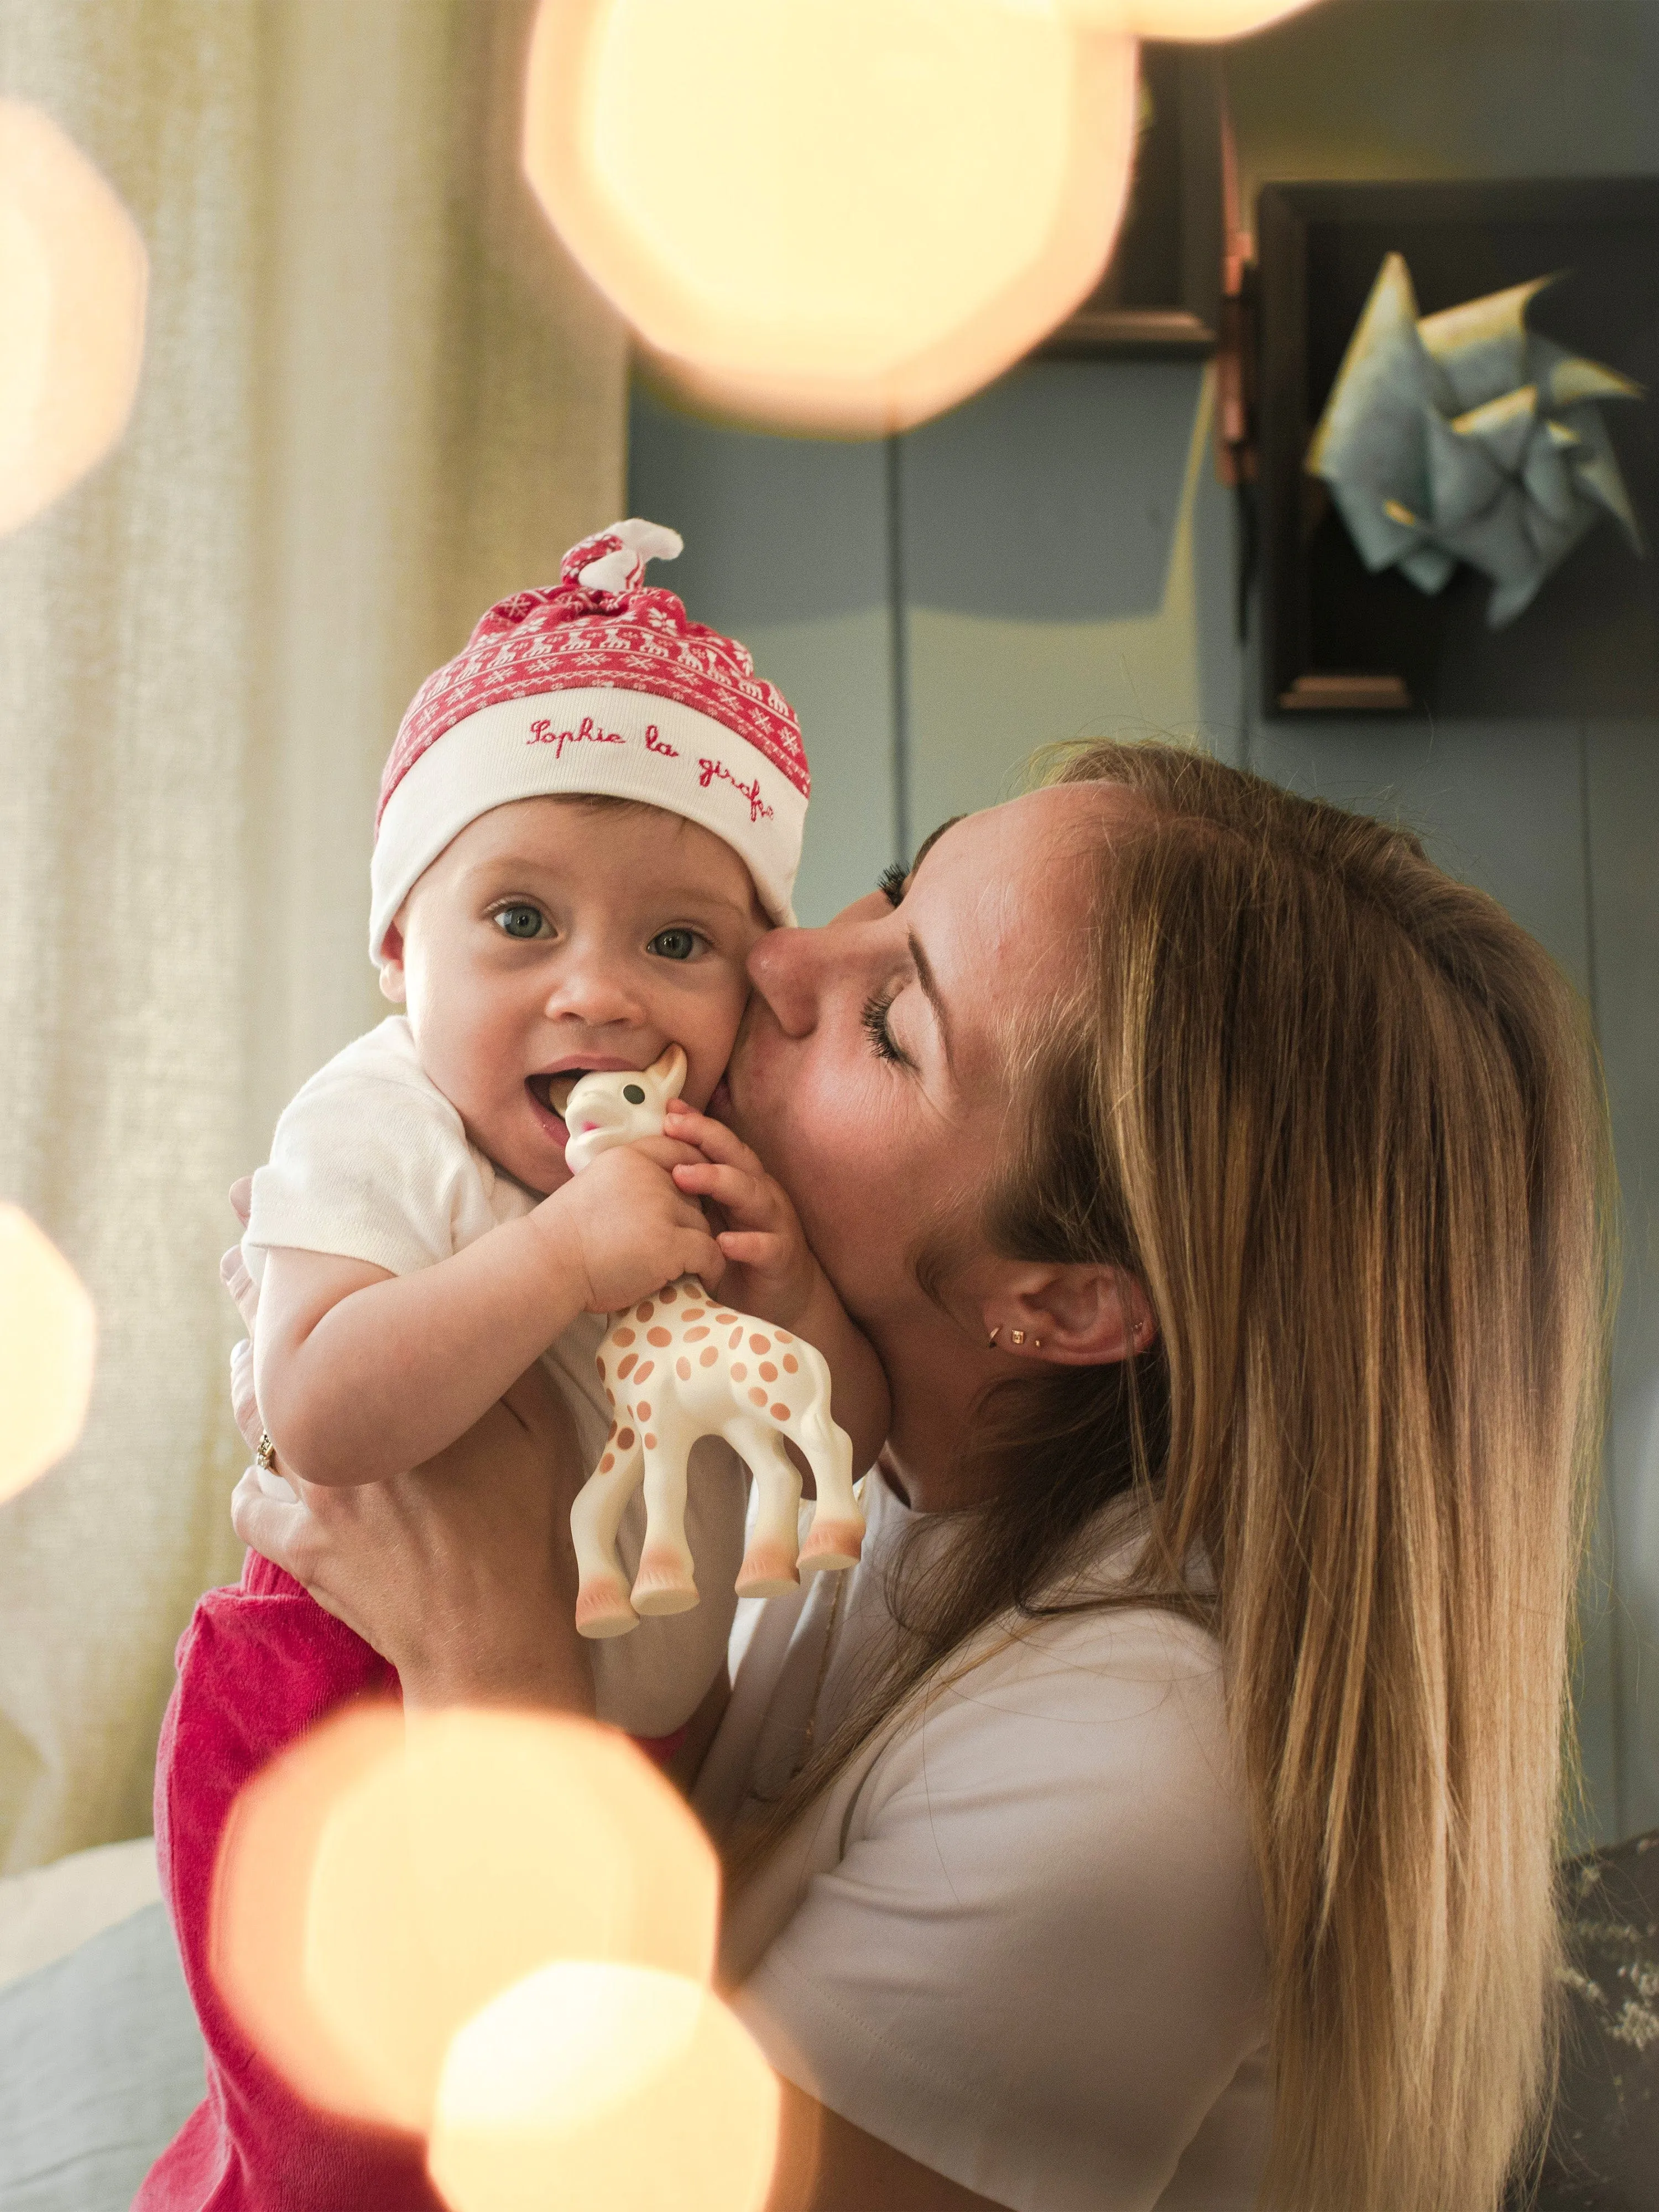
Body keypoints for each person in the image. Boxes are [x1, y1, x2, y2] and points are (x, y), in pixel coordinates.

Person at [227, 740, 1612, 2212]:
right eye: (889, 893)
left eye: (891, 1020)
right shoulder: (872, 1469)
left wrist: (488, 1654)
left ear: (1066, 1302)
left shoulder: (1132, 1783)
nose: (785, 955)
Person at [138, 518, 887, 2212]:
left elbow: (858, 1430)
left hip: (630, 1730)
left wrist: (795, 1302)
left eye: (678, 944)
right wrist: (553, 1259)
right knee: (343, 2154)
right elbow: (323, 1415)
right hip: (344, 1709)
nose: (599, 997)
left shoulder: (706, 1150)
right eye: (521, 920)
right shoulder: (380, 1119)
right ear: (402, 956)